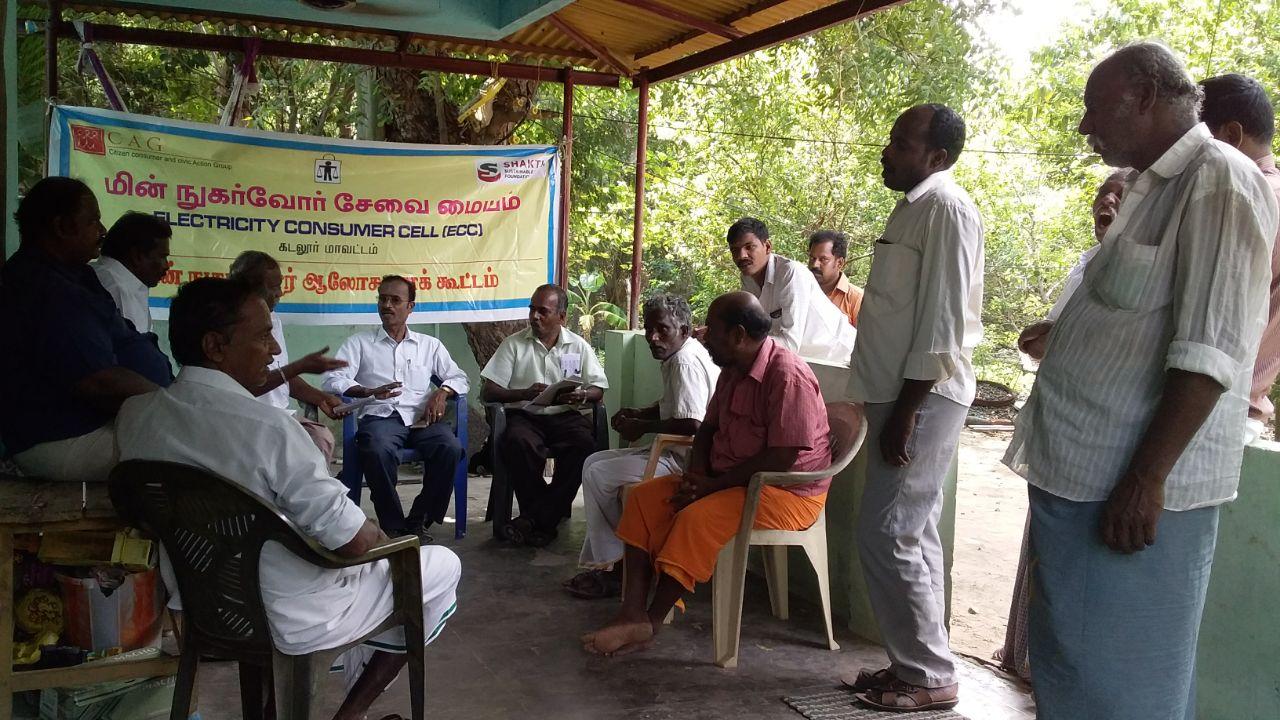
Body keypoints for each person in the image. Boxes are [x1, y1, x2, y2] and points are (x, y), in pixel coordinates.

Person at [1003, 43, 1277, 720]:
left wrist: (1145, 479)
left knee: (1123, 689)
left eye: (1095, 107)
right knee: (1079, 674)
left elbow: (1210, 351)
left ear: (1147, 96)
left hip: (1132, 493)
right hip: (1084, 479)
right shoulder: (1152, 185)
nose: (1083, 125)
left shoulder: (1219, 180)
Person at [116, 277, 460, 720]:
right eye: (263, 336)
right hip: (297, 615)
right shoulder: (269, 429)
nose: (276, 351)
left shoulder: (137, 418)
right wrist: (387, 543)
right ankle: (349, 713)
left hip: (204, 606)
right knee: (439, 566)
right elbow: (352, 542)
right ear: (215, 346)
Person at [580, 292, 831, 657]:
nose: (701, 335)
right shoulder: (732, 370)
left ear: (738, 335)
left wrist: (712, 487)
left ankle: (650, 620)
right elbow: (708, 429)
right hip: (729, 478)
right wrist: (695, 477)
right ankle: (629, 611)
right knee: (644, 499)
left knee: (696, 519)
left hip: (786, 492)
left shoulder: (787, 375)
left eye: (711, 330)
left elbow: (784, 455)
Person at [842, 103, 983, 713]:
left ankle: (928, 675)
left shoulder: (949, 210)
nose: (887, 150)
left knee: (887, 531)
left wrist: (905, 410)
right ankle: (920, 664)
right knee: (913, 531)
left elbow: (944, 324)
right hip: (898, 397)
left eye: (901, 143)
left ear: (937, 157)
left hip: (920, 398)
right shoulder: (914, 208)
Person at [1000, 169, 1128, 681]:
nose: (1108, 202)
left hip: (1098, 447)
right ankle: (1029, 665)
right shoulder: (1089, 265)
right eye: (1102, 194)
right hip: (1060, 438)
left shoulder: (1143, 271)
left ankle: (1050, 677)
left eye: (1121, 194)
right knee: (1046, 562)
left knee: (1076, 578)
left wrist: (1060, 341)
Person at [0, 178, 172, 482]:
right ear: (62, 226)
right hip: (63, 437)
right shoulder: (46, 288)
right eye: (92, 221)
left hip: (97, 423)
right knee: (200, 451)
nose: (102, 230)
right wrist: (173, 405)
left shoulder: (76, 274)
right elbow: (100, 383)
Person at [562, 294, 719, 600]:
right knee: (593, 462)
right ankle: (618, 563)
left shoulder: (684, 361)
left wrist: (643, 427)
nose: (653, 337)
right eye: (649, 330)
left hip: (686, 459)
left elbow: (693, 424)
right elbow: (672, 406)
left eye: (663, 330)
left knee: (598, 475)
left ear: (684, 330)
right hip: (673, 449)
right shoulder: (679, 354)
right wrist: (639, 413)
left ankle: (617, 567)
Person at [322, 275, 469, 544]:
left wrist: (442, 391)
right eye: (382, 298)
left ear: (410, 307)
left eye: (395, 300)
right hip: (381, 418)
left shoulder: (429, 345)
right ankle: (394, 525)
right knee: (376, 449)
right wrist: (367, 391)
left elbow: (459, 377)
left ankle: (419, 520)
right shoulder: (360, 343)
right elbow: (333, 380)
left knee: (450, 448)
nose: (386, 305)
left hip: (422, 420)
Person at [480, 284, 609, 547]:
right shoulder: (514, 344)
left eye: (543, 311)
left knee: (584, 446)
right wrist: (524, 392)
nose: (534, 316)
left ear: (562, 317)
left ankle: (531, 519)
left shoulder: (578, 345)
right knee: (518, 443)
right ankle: (545, 519)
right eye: (532, 310)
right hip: (526, 415)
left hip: (565, 415)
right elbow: (489, 391)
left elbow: (598, 388)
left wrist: (582, 395)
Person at [1200, 73, 1280, 444]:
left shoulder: (1246, 197)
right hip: (1239, 402)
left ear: (1230, 135)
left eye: (1198, 141)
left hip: (1212, 407)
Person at [228, 251, 347, 464]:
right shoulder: (235, 326)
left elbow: (281, 375)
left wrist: (320, 397)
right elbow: (252, 384)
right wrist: (300, 366)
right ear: (249, 288)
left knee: (321, 440)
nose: (280, 293)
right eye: (273, 287)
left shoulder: (273, 320)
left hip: (281, 415)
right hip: (247, 419)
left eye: (280, 285)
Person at [730, 217, 857, 364]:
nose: (741, 256)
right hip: (804, 361)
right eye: (734, 250)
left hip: (842, 361)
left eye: (749, 247)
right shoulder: (747, 277)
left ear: (768, 247)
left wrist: (737, 341)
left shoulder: (790, 273)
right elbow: (753, 329)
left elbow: (790, 344)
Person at [91, 211, 171, 334]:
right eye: (162, 257)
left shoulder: (116, 281)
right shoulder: (116, 289)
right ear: (137, 256)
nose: (166, 266)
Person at [807, 230, 863, 326]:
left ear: (840, 263)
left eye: (823, 259)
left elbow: (863, 339)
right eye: (812, 258)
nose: (815, 264)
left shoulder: (856, 299)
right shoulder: (799, 288)